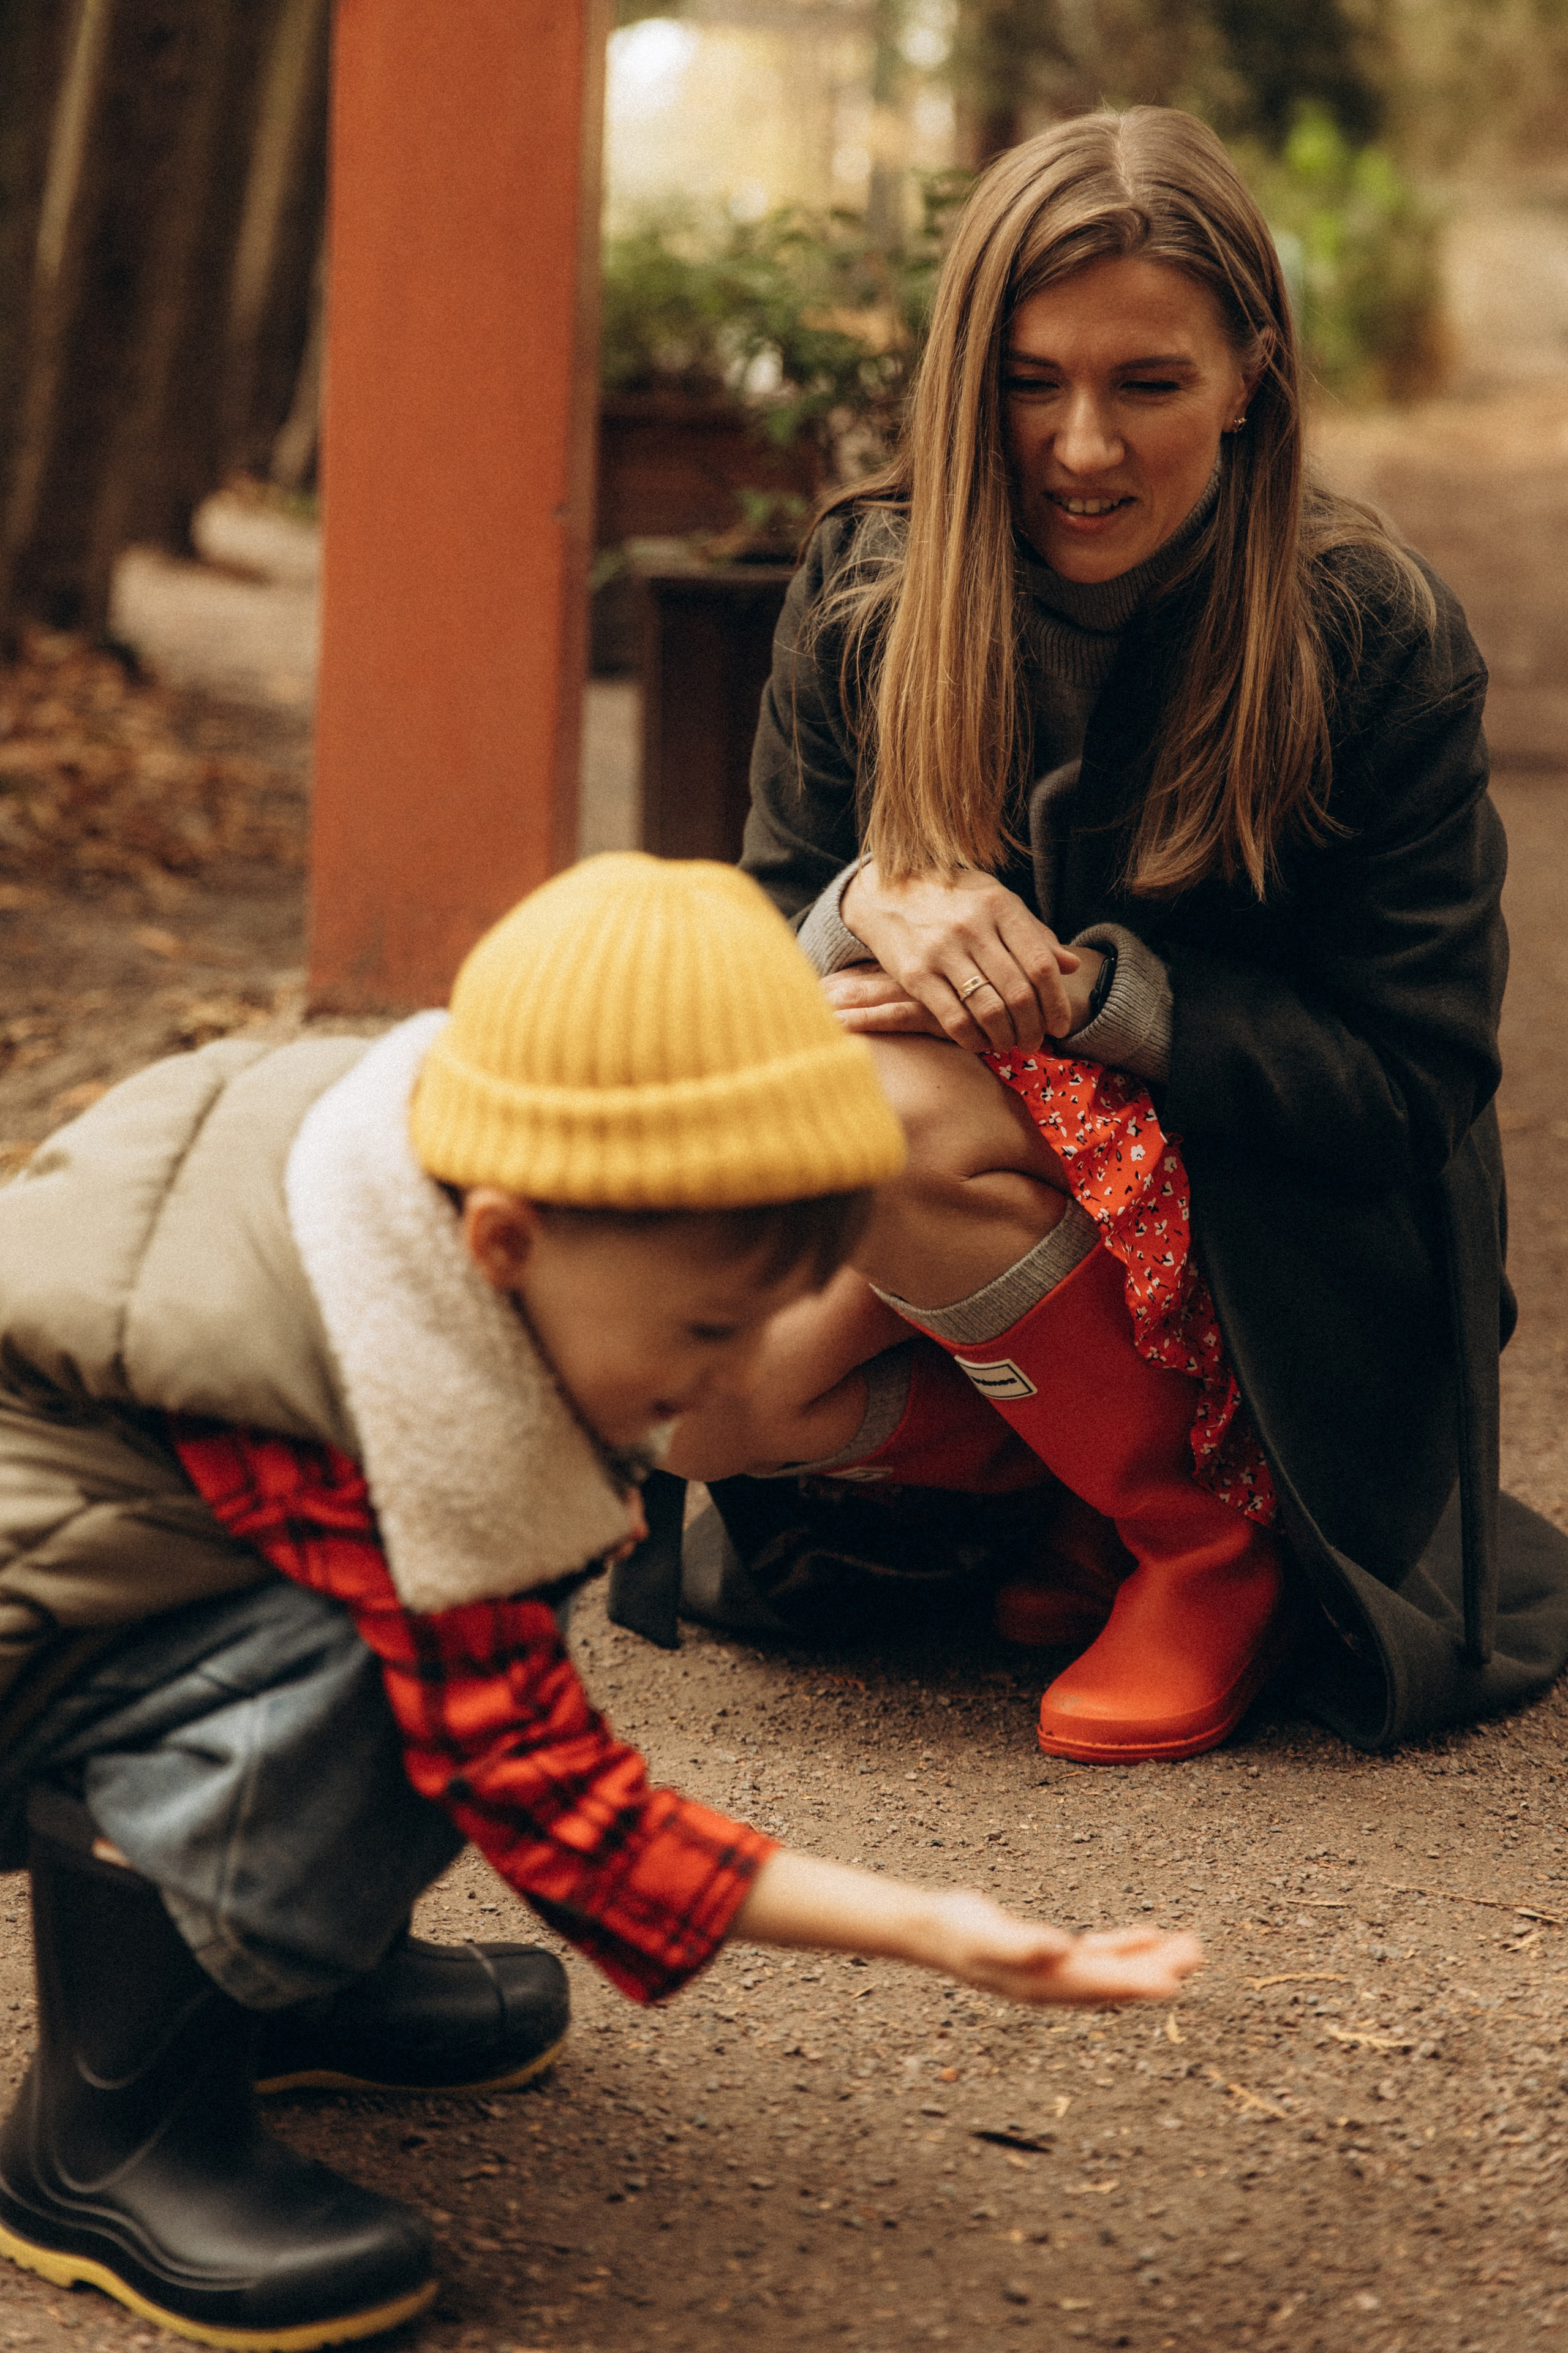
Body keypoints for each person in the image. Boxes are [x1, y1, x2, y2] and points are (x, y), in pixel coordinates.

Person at [0, 854, 1200, 2350]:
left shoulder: (418, 1177)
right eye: (705, 1329)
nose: (733, 1378)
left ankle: (290, 1984)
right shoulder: (345, 1414)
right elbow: (553, 1794)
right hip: (38, 1644)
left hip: (103, 1577)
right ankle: (105, 2140)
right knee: (362, 1641)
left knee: (477, 1573)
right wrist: (935, 1928)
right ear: (507, 1238)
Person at [658, 105, 1568, 1763]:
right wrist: (861, 903)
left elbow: (1410, 1083)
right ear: (967, 378)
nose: (1081, 447)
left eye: (1147, 384)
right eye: (1031, 382)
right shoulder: (865, 587)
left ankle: (1208, 1537)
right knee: (699, 1397)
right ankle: (1068, 1479)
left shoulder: (1370, 633)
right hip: (990, 1217)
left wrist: (1090, 1001)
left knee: (888, 1113)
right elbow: (752, 953)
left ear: (1250, 382)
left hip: (1279, 1249)